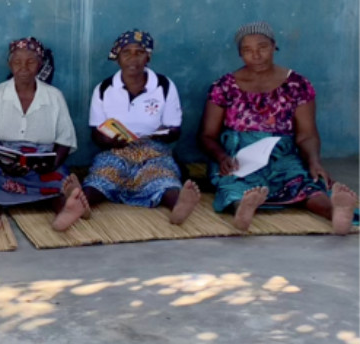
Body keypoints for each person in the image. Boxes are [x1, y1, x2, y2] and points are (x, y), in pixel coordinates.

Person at [198, 21, 357, 234]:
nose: (256, 55)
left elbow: (307, 135)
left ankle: (334, 214)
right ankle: (243, 210)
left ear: (274, 46)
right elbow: (207, 135)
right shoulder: (224, 86)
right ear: (240, 54)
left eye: (262, 47)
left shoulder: (297, 85)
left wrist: (314, 161)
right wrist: (221, 157)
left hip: (281, 153)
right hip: (237, 154)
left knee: (308, 183)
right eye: (247, 50)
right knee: (233, 183)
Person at [81, 30, 199, 224]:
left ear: (148, 57)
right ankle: (82, 204)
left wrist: (161, 135)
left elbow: (175, 130)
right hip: (116, 150)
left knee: (162, 176)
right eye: (126, 52)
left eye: (139, 52)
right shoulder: (104, 89)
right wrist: (109, 141)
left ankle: (178, 205)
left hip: (154, 149)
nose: (133, 58)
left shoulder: (164, 85)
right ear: (118, 58)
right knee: (104, 174)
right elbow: (96, 133)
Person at [0, 38, 86, 231]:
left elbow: (64, 141)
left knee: (58, 180)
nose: (23, 67)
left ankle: (65, 212)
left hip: (44, 162)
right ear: (10, 65)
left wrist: (49, 165)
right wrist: (6, 164)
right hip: (5, 161)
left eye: (30, 61)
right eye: (17, 62)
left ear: (40, 65)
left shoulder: (54, 96)